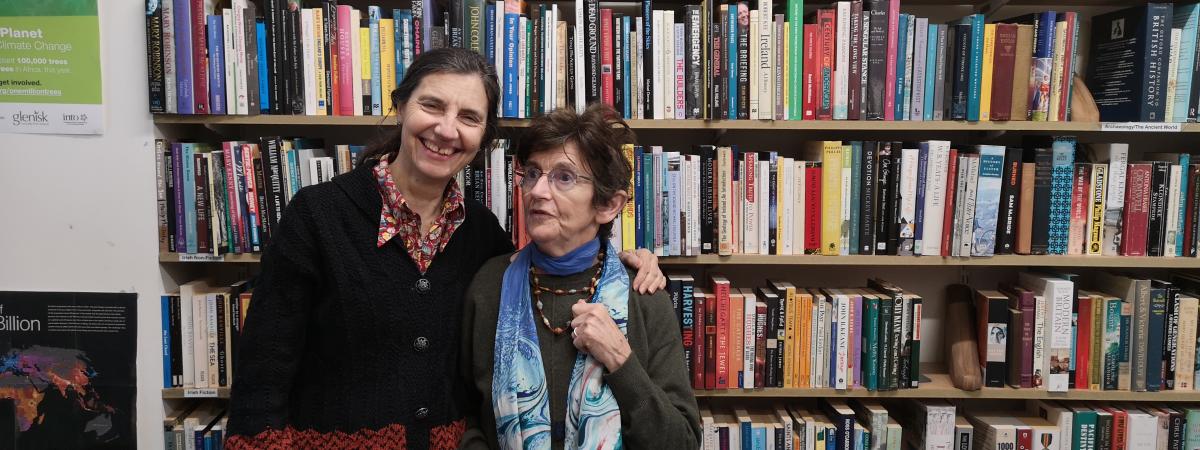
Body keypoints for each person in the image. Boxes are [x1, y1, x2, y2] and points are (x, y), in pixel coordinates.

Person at [224, 48, 664, 450]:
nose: (446, 129)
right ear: (400, 108)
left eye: (469, 117)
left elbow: (550, 265)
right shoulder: (318, 217)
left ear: (482, 137)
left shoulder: (481, 234)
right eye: (431, 105)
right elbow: (262, 379)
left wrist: (628, 260)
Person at [460, 104, 701, 449]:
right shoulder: (489, 286)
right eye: (532, 173)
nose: (537, 192)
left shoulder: (643, 293)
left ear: (607, 205)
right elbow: (465, 418)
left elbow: (683, 443)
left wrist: (622, 360)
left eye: (564, 177)